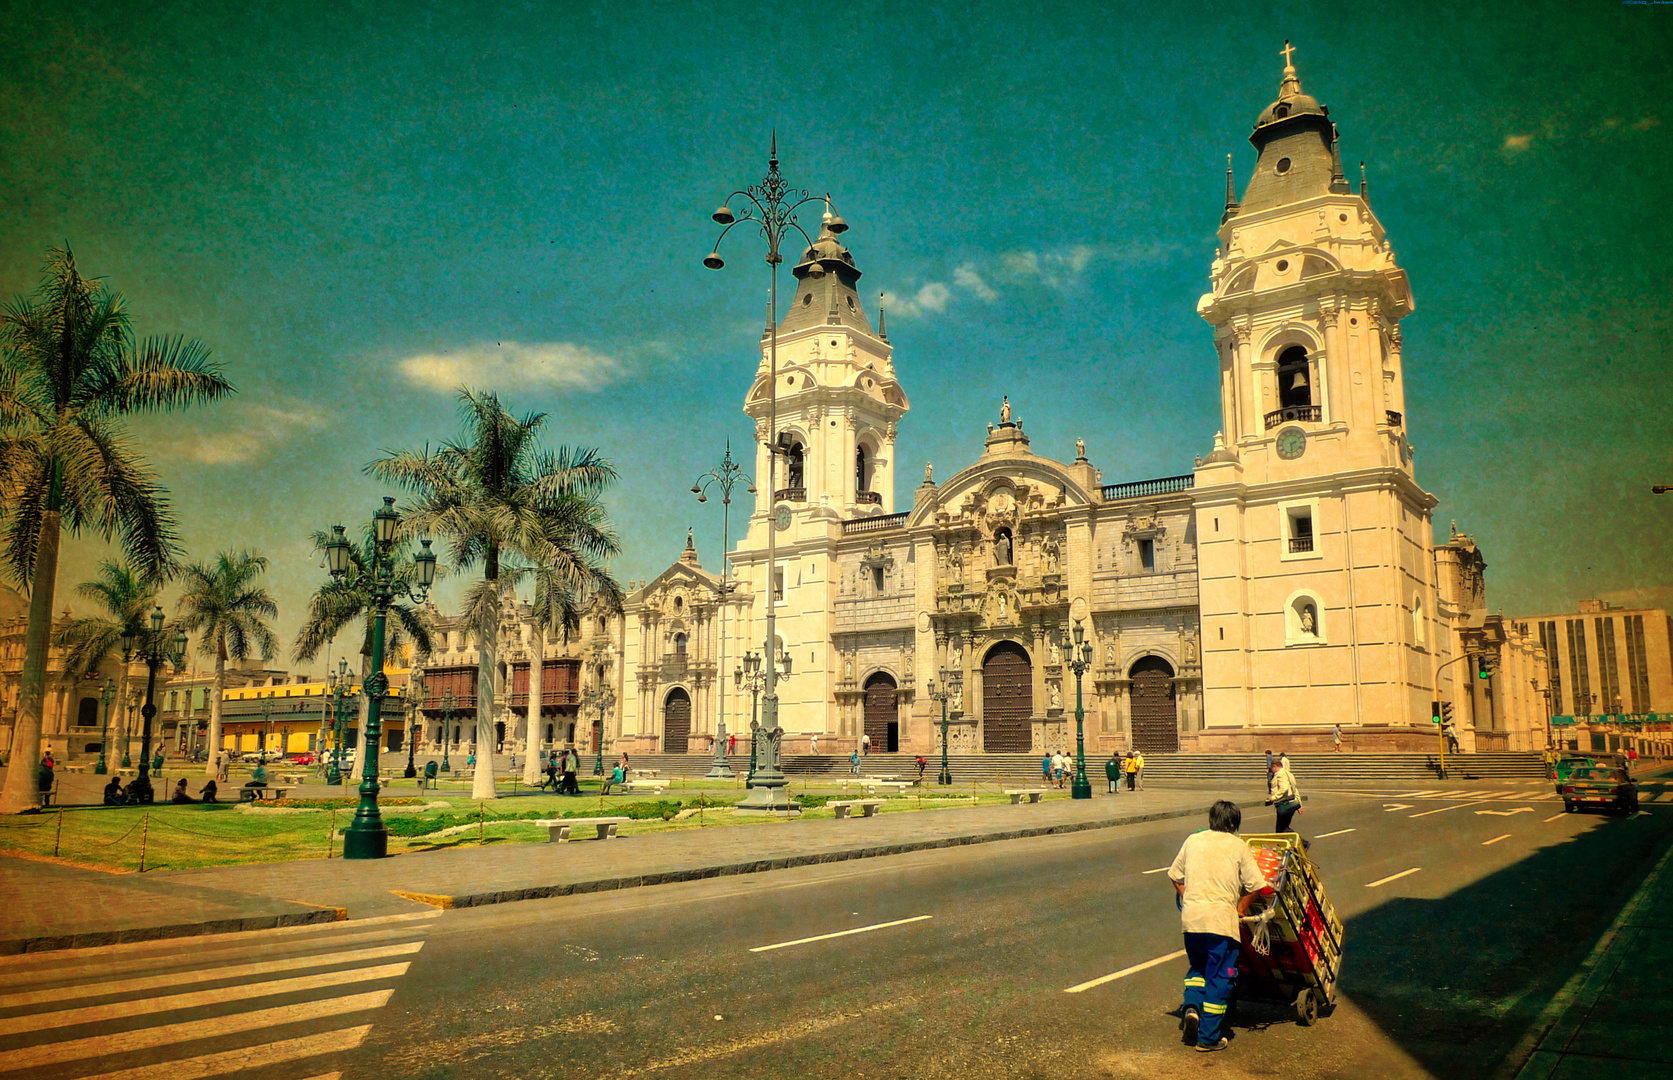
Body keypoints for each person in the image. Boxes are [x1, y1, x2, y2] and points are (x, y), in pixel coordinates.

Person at [1168, 800, 1274, 1053]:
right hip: (1220, 922)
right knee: (1219, 977)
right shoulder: (1238, 846)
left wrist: (1189, 896)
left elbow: (1174, 875)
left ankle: (1192, 1007)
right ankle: (1208, 1038)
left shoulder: (1193, 841)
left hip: (1191, 921)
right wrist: (1241, 907)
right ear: (1235, 824)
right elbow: (1256, 885)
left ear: (1211, 820)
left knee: (1198, 968)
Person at [1267, 757, 1303, 834]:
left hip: (1284, 803)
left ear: (1275, 766)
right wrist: (1299, 804)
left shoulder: (1280, 774)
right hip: (1291, 803)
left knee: (1282, 829)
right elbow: (1294, 789)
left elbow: (1284, 788)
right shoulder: (1288, 774)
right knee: (1282, 828)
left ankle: (1302, 842)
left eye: (1272, 768)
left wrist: (1273, 798)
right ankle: (1289, 844)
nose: (1272, 770)